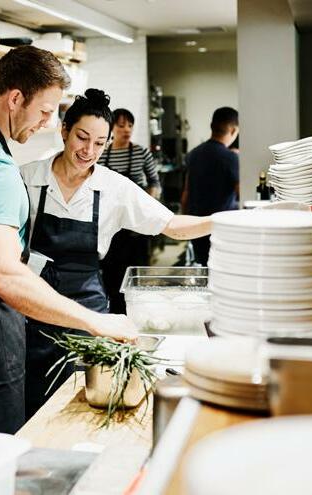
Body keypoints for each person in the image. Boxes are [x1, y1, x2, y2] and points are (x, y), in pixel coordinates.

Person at [0, 47, 137, 435]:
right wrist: (96, 321)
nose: (47, 122)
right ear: (15, 98)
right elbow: (5, 276)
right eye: (44, 111)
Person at [21, 89, 212, 417]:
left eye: (99, 143)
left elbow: (172, 225)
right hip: (33, 307)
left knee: (84, 400)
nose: (88, 151)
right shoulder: (27, 178)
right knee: (34, 397)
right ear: (64, 130)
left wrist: (225, 221)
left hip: (88, 308)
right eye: (82, 138)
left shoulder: (114, 188)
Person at [98, 108, 160, 314]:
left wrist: (147, 208)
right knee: (112, 274)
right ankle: (116, 314)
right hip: (112, 224)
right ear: (111, 128)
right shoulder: (102, 154)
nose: (127, 130)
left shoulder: (141, 152)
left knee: (137, 272)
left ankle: (138, 313)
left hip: (136, 225)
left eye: (130, 125)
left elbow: (154, 183)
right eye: (121, 125)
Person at [181, 107, 239, 266]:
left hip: (197, 226)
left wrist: (186, 226)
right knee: (223, 270)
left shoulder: (193, 154)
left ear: (212, 126)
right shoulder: (231, 158)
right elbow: (242, 192)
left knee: (204, 270)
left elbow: (186, 194)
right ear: (233, 130)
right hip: (222, 227)